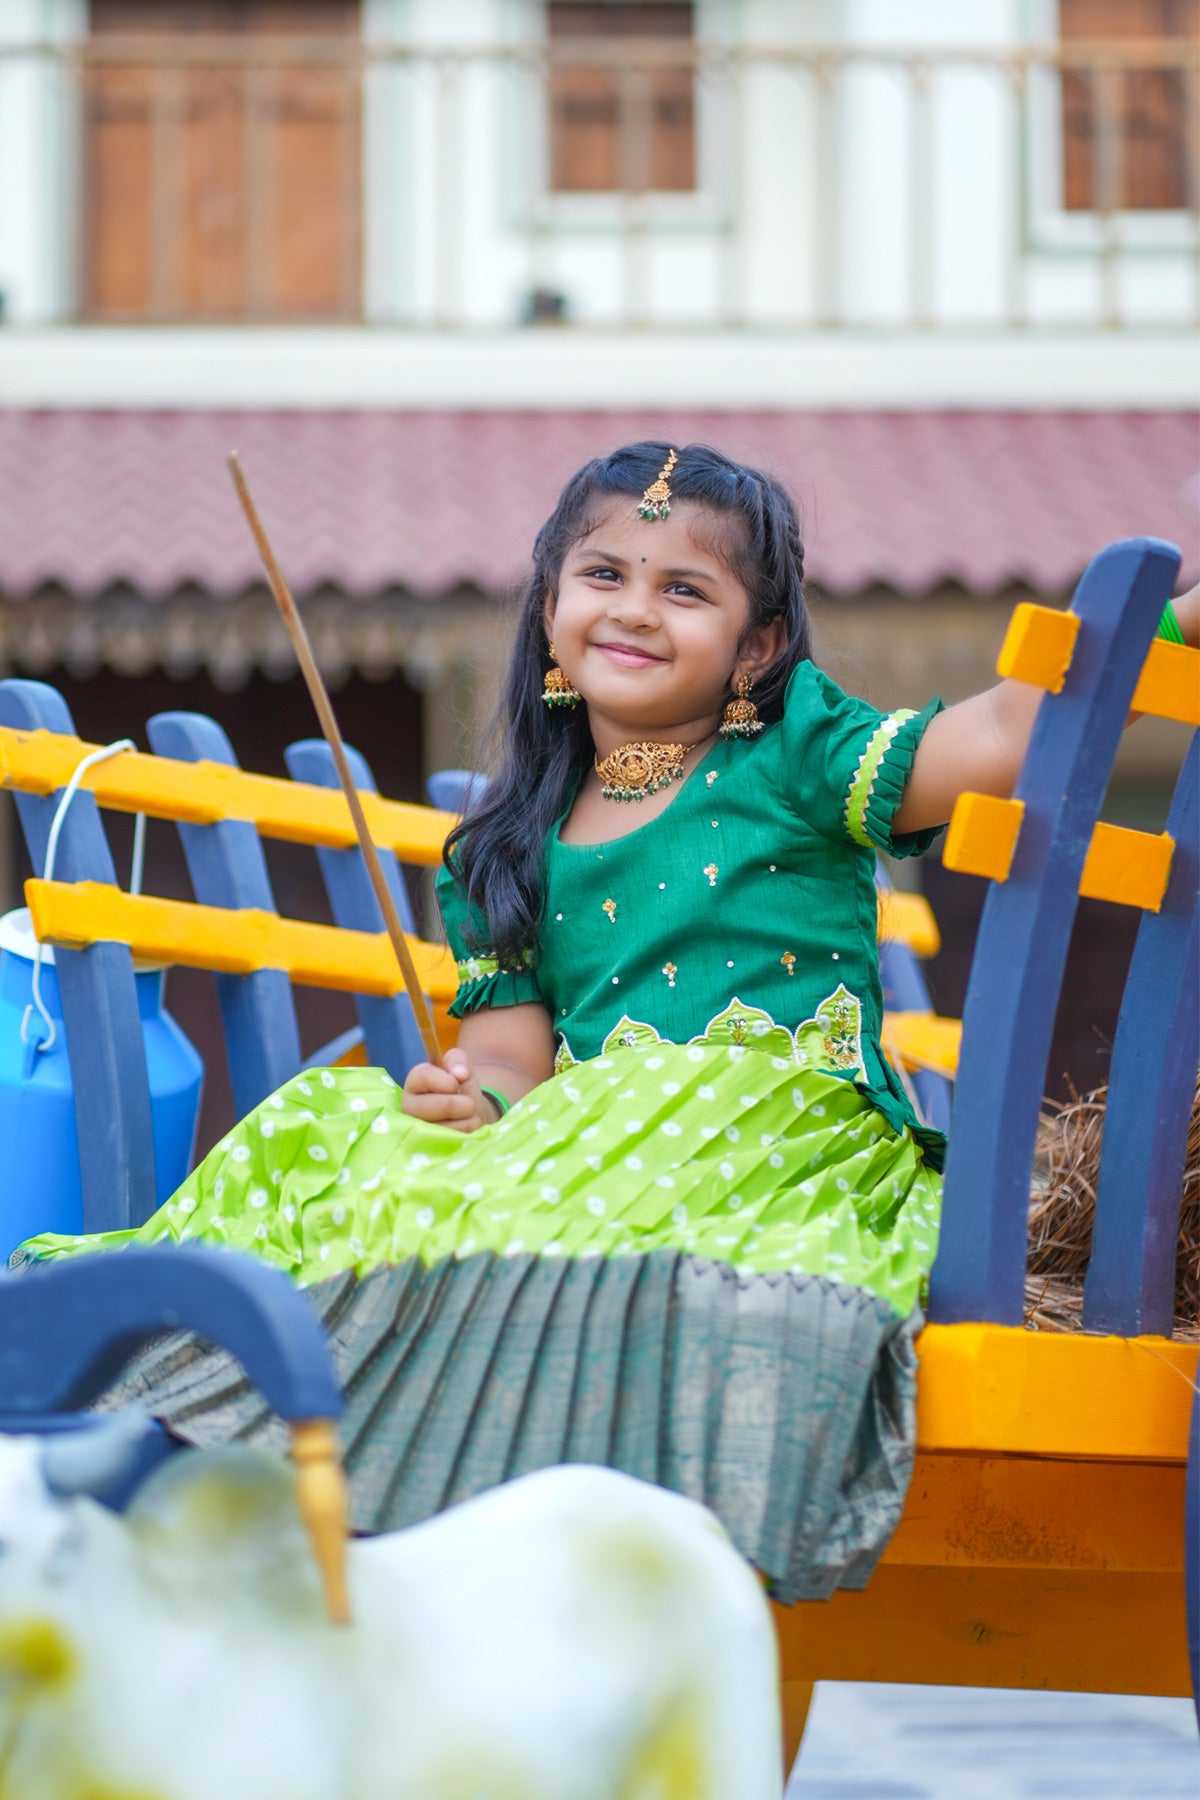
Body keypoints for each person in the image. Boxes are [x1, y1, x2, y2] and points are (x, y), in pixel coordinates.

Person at [19, 442, 1199, 1603]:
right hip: (589, 1143)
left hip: (769, 1139)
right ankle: (269, 1435)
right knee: (331, 1120)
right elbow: (509, 1072)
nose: (635, 609)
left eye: (685, 588)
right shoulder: (500, 853)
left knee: (668, 1096)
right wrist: (465, 1099)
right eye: (604, 576)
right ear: (547, 611)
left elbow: (991, 739)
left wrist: (1172, 628)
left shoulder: (797, 751)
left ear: (760, 644)